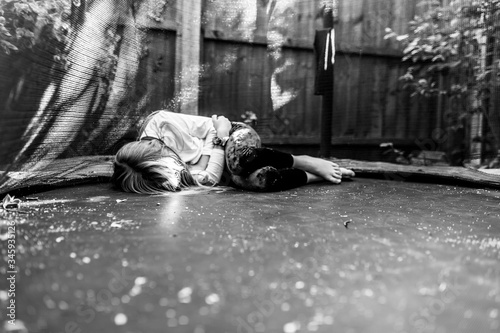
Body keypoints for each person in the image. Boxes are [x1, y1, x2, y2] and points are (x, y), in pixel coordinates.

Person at [111, 110, 355, 194]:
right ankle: (313, 177)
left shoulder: (162, 123)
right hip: (221, 154)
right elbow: (211, 178)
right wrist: (207, 163)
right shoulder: (159, 177)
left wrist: (218, 142)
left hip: (232, 138)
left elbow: (216, 127)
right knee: (261, 180)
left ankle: (306, 162)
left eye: (174, 164)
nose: (182, 171)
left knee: (239, 162)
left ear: (157, 150)